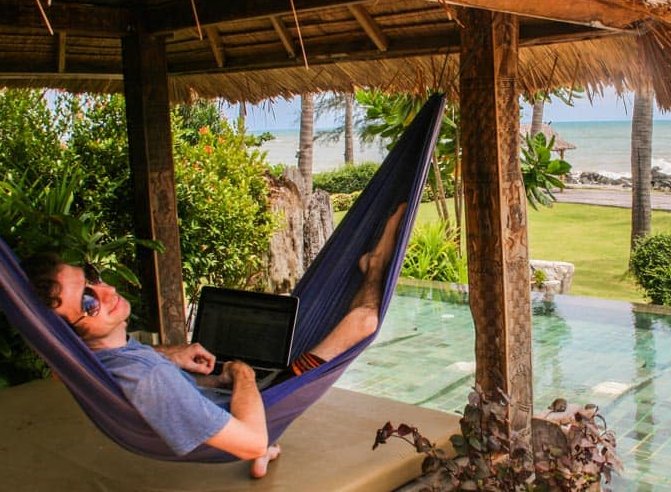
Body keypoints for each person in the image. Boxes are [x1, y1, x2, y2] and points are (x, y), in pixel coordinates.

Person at [21, 203, 406, 479]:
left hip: (216, 398)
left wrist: (180, 358)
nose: (104, 292)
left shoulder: (107, 358)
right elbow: (252, 438)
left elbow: (141, 370)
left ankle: (265, 428)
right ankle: (373, 267)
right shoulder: (151, 379)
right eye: (87, 302)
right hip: (246, 415)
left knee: (284, 371)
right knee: (363, 322)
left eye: (91, 277)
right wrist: (241, 375)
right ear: (67, 333)